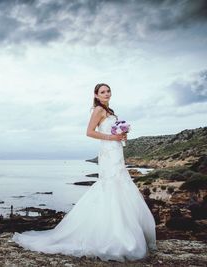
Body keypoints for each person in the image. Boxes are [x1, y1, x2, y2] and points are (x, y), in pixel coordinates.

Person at [11, 83, 157, 262]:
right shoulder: (97, 110)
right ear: (96, 95)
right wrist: (112, 137)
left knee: (121, 185)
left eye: (108, 91)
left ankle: (125, 232)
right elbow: (89, 132)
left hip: (116, 152)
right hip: (108, 153)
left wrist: (122, 136)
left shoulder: (109, 111)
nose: (106, 93)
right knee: (110, 185)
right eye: (103, 92)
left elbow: (111, 131)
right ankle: (114, 236)